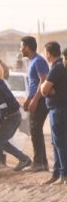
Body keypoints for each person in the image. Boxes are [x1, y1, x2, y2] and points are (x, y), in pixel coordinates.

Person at [20, 35, 50, 172]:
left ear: (27, 47)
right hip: (34, 99)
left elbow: (43, 81)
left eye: (21, 46)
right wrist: (28, 99)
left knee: (35, 129)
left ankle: (39, 163)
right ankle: (41, 162)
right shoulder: (31, 61)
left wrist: (35, 100)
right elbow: (32, 84)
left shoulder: (38, 61)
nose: (20, 49)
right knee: (34, 130)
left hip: (41, 100)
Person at [40, 42, 67, 185]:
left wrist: (47, 89)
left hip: (59, 110)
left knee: (60, 142)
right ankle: (56, 174)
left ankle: (63, 174)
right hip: (57, 109)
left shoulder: (57, 68)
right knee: (56, 142)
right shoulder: (59, 66)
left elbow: (43, 90)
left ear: (48, 53)